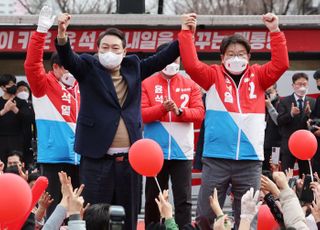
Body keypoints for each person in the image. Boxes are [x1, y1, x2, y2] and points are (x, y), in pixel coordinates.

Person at [55, 10, 180, 230]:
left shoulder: (134, 67)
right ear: (98, 50)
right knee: (93, 215)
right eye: (104, 47)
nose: (109, 52)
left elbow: (162, 58)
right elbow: (69, 59)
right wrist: (62, 35)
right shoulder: (88, 67)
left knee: (128, 215)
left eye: (115, 48)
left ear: (124, 51)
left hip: (130, 160)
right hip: (96, 158)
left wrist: (186, 34)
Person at [178, 12, 289, 228]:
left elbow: (281, 64)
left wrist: (275, 31)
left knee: (247, 216)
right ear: (222, 58)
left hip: (250, 161)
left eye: (240, 54)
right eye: (230, 54)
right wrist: (186, 32)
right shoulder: (212, 76)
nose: (235, 58)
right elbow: (191, 65)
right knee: (205, 216)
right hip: (216, 158)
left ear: (248, 57)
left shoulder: (259, 76)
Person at [24, 6, 80, 217]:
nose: (70, 72)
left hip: (81, 157)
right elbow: (31, 65)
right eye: (66, 67)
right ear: (55, 67)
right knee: (55, 212)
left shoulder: (80, 87)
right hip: (55, 158)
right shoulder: (43, 85)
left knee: (77, 211)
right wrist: (41, 32)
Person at [142, 43, 204, 228]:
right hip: (155, 153)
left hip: (181, 152)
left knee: (183, 199)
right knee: (154, 198)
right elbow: (141, 114)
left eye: (175, 59)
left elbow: (200, 113)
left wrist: (179, 112)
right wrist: (162, 108)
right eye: (168, 59)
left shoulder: (190, 84)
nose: (172, 63)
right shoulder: (147, 83)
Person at [277, 72, 315, 176]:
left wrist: (309, 115)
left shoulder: (313, 102)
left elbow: (315, 122)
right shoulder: (284, 101)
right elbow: (279, 120)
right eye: (299, 84)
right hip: (289, 143)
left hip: (306, 145)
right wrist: (291, 114)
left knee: (306, 175)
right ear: (293, 85)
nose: (302, 87)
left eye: (304, 84)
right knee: (286, 175)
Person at [0, 74, 32, 163]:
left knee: (16, 165)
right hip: (1, 139)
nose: (14, 86)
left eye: (14, 83)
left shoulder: (21, 102)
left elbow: (28, 118)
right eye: (10, 84)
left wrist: (15, 109)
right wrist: (4, 110)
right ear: (3, 87)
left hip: (17, 139)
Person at [16, 81, 36, 169]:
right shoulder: (13, 104)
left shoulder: (33, 105)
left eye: (25, 90)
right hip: (17, 138)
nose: (23, 92)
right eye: (20, 90)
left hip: (30, 139)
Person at [263, 84, 281, 170]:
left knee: (274, 169)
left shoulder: (281, 102)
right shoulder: (261, 102)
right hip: (262, 144)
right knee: (263, 170)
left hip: (275, 145)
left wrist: (269, 106)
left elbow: (279, 121)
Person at [310, 69, 320, 175]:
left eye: (319, 80)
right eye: (316, 80)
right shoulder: (318, 98)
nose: (317, 83)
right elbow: (315, 117)